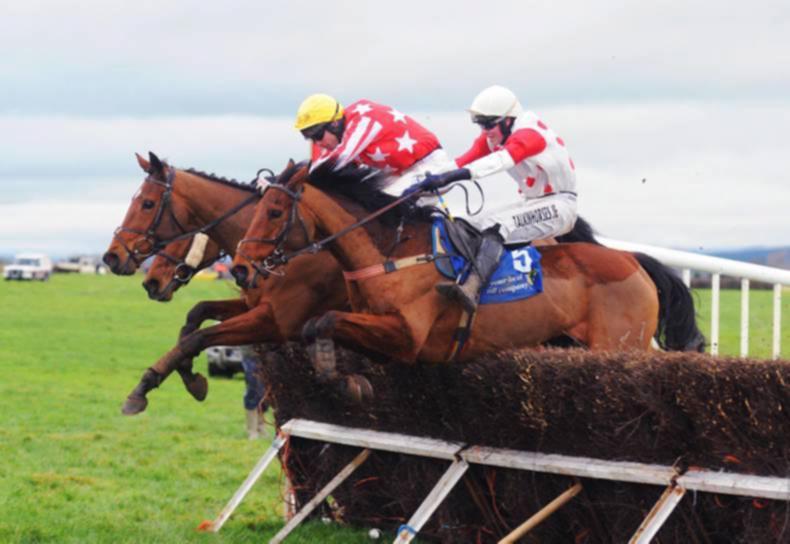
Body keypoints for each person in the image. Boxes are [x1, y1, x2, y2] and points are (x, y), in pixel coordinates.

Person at [409, 85, 579, 313]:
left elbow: (500, 161)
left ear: (508, 120)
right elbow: (461, 162)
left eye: (489, 124)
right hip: (531, 202)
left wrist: (451, 177)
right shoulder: (494, 136)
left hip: (560, 205)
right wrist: (420, 185)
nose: (485, 130)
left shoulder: (529, 134)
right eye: (480, 124)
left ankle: (472, 287)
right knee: (468, 223)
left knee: (497, 225)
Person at [294, 93, 454, 196]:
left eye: (318, 136)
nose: (318, 143)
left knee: (386, 206)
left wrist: (295, 180)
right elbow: (319, 165)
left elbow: (338, 159)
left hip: (430, 166)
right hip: (396, 174)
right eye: (311, 138)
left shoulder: (363, 118)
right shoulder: (338, 133)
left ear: (334, 123)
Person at [240, 345, 266, 440]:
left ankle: (261, 427)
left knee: (264, 393)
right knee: (252, 390)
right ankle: (252, 430)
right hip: (250, 356)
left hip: (264, 356)